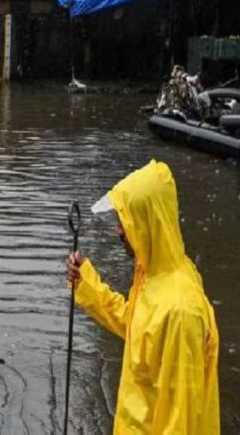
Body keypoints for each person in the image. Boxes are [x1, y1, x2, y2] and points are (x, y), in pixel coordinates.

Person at [66, 160, 219, 433]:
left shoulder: (180, 310)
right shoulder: (155, 276)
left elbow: (179, 421)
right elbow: (138, 329)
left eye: (125, 220)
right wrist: (86, 284)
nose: (119, 230)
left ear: (148, 223)